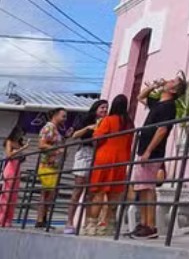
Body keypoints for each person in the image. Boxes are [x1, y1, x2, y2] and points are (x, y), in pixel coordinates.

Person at [130, 76, 184, 239]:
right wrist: (154, 85)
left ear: (173, 90)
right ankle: (145, 224)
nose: (168, 81)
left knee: (148, 188)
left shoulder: (169, 106)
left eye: (172, 81)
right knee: (143, 188)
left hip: (152, 152)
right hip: (145, 150)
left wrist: (148, 151)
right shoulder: (158, 103)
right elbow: (140, 97)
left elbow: (162, 130)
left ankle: (151, 225)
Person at [87, 95, 134, 237]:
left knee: (98, 193)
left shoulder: (107, 120)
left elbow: (97, 138)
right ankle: (109, 225)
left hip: (104, 159)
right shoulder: (130, 124)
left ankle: (92, 225)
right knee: (114, 194)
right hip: (121, 161)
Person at [64, 100, 108, 235]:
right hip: (85, 152)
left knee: (91, 192)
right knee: (78, 189)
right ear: (95, 108)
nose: (104, 110)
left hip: (98, 155)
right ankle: (69, 222)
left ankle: (87, 223)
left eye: (106, 108)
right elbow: (74, 135)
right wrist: (89, 128)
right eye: (102, 107)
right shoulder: (86, 120)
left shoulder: (106, 122)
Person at [35, 107, 67, 228]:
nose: (65, 119)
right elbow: (41, 144)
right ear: (55, 115)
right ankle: (40, 219)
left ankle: (43, 218)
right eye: (63, 116)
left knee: (49, 194)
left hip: (53, 166)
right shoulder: (49, 127)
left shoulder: (55, 129)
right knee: (47, 193)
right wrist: (57, 150)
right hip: (47, 165)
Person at [0, 128, 25, 227]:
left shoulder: (19, 144)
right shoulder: (9, 142)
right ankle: (1, 219)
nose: (21, 135)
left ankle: (8, 220)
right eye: (20, 133)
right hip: (10, 169)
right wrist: (22, 149)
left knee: (13, 197)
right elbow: (9, 155)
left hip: (17, 169)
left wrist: (22, 150)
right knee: (6, 195)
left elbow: (22, 158)